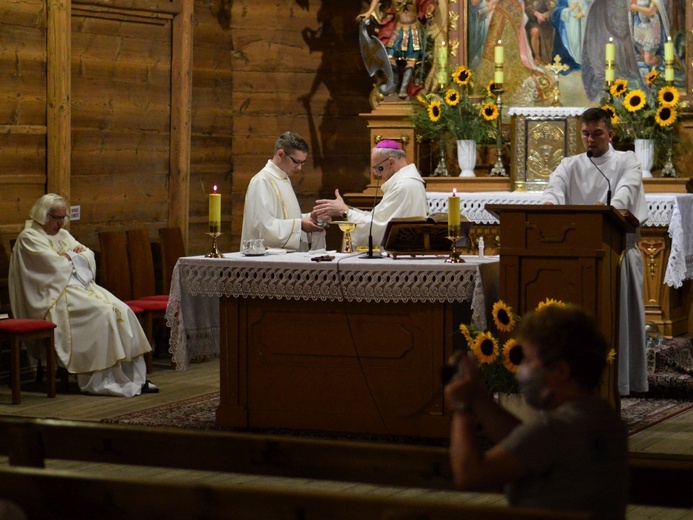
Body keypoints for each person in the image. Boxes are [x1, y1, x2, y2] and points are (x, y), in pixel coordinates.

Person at [445, 305, 628, 519]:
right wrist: (477, 395)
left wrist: (462, 408)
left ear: (560, 371)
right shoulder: (604, 418)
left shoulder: (555, 429)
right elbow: (525, 443)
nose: (522, 369)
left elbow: (469, 477)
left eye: (529, 360)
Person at [541, 107, 648, 395]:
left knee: (620, 319)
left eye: (597, 134)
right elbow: (555, 188)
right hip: (580, 253)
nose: (591, 140)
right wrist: (550, 206)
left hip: (618, 251)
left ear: (610, 134)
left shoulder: (627, 161)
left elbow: (627, 190)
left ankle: (623, 382)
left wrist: (611, 210)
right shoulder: (570, 164)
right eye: (586, 134)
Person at [9, 194, 157, 397]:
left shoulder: (63, 235)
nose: (61, 224)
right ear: (43, 214)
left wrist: (71, 256)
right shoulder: (29, 237)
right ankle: (101, 379)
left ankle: (131, 376)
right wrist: (73, 255)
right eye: (56, 217)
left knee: (122, 310)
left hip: (80, 287)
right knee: (103, 313)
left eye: (64, 217)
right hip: (54, 297)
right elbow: (53, 268)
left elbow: (88, 255)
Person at [312, 140, 427, 249]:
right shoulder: (408, 182)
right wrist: (347, 209)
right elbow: (378, 219)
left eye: (378, 168)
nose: (377, 174)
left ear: (391, 162)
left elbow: (381, 228)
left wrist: (345, 213)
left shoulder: (404, 185)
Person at [241, 131, 325, 251]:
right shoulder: (262, 181)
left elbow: (284, 218)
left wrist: (310, 217)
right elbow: (263, 228)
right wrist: (300, 224)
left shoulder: (283, 178)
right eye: (296, 162)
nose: (300, 168)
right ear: (280, 154)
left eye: (303, 163)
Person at [356, 0, 438, 98]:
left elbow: (426, 3)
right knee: (390, 56)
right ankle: (394, 83)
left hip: (413, 30)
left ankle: (404, 88)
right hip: (398, 30)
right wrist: (369, 12)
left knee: (411, 60)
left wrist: (430, 8)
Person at [525, 0, 555, 66]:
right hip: (532, 22)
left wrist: (545, 15)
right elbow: (526, 7)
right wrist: (537, 14)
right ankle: (537, 57)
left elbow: (555, 8)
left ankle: (546, 58)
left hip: (546, 23)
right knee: (534, 32)